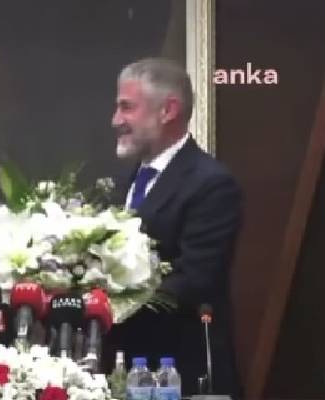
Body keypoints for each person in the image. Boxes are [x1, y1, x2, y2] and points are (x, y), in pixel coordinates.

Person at [104, 58, 242, 397]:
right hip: (123, 367)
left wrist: (108, 302)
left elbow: (194, 279)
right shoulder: (124, 181)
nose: (116, 120)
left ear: (168, 110)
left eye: (126, 107)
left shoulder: (211, 184)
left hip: (180, 372)